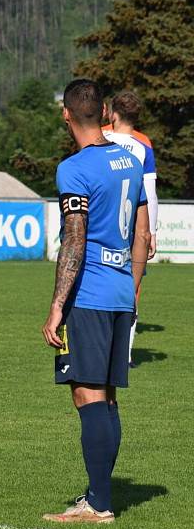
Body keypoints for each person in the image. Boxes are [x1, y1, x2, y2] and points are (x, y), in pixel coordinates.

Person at [41, 79, 150, 524]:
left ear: (66, 115)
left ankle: (99, 503)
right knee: (106, 399)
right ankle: (98, 493)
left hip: (88, 295)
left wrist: (55, 305)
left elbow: (74, 240)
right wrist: (133, 285)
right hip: (121, 290)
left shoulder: (74, 169)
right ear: (105, 111)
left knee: (88, 396)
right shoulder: (131, 158)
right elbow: (143, 233)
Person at [102, 91, 158, 367]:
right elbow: (150, 193)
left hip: (102, 225)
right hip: (132, 228)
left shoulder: (98, 138)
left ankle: (96, 349)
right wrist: (152, 233)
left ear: (112, 114)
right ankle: (124, 354)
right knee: (131, 290)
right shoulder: (143, 146)